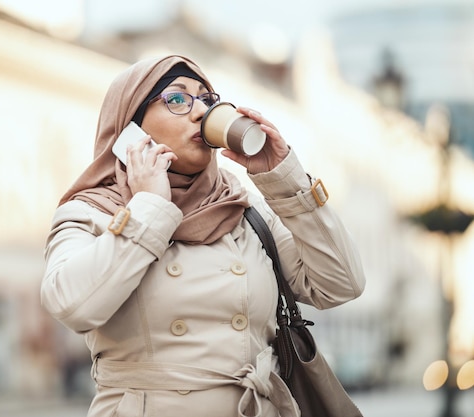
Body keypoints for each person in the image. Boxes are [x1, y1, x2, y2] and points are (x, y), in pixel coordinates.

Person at [41, 55, 365, 417]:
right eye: (177, 99)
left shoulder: (244, 212)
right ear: (130, 127)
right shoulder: (92, 212)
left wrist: (284, 180)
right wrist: (149, 206)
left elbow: (342, 284)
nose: (201, 113)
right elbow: (73, 305)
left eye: (208, 99)